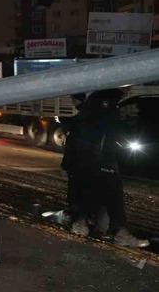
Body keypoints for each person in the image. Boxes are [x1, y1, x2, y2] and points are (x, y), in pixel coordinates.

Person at [61, 89, 149, 247]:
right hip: (98, 158)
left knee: (102, 193)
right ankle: (94, 225)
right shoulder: (104, 107)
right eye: (133, 107)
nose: (135, 109)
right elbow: (108, 132)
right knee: (109, 194)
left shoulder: (101, 107)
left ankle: (88, 224)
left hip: (98, 158)